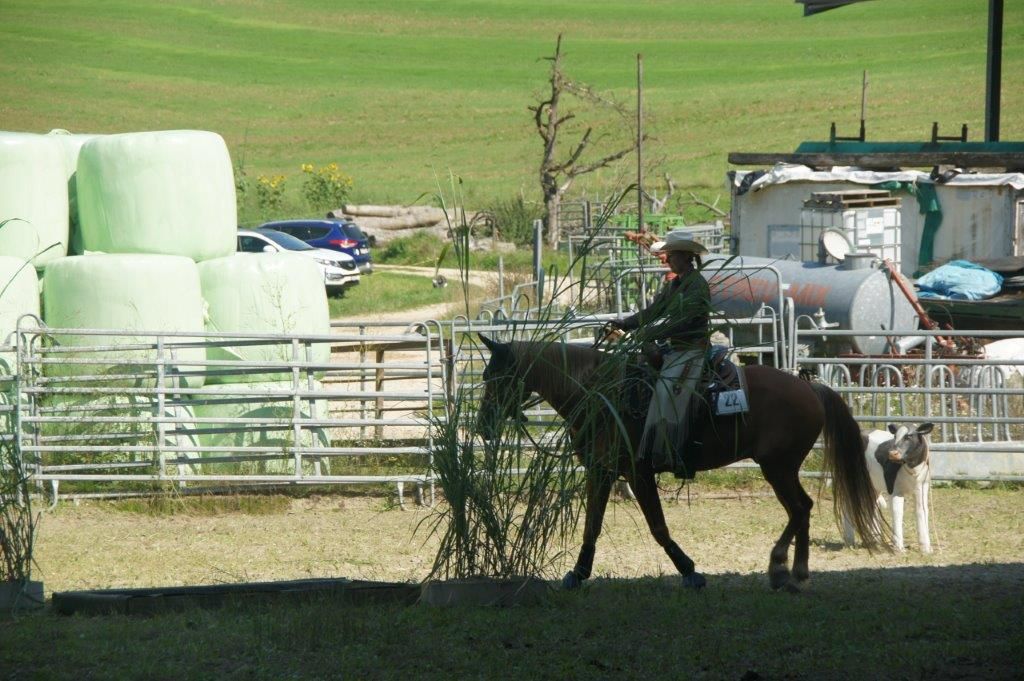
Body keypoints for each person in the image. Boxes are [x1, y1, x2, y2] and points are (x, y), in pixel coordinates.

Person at [609, 230, 712, 476]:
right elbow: (654, 311)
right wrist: (626, 323)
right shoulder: (675, 284)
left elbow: (685, 321)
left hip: (692, 350)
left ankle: (674, 451)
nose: (665, 260)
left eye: (671, 255)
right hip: (675, 348)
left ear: (686, 257)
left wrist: (650, 334)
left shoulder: (696, 284)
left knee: (668, 393)